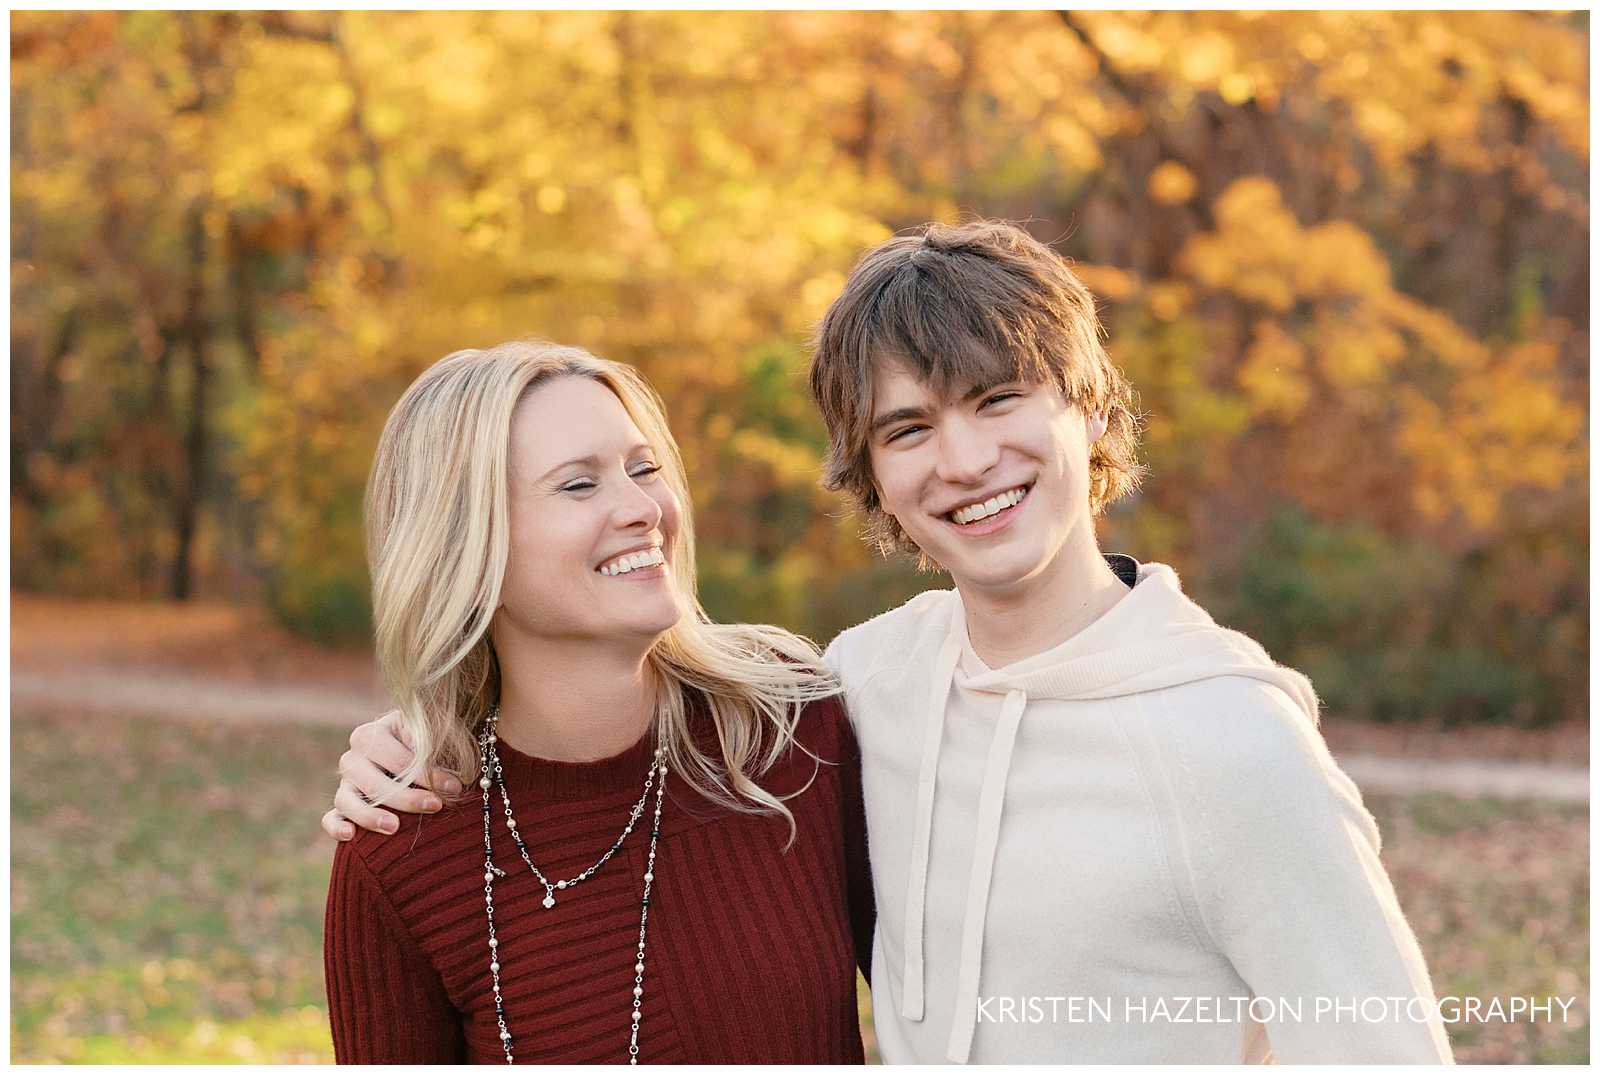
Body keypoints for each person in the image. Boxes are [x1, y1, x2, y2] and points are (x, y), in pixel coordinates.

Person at [329, 223, 1453, 1063]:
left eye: (1000, 399)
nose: (963, 463)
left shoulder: (1230, 741)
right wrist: (413, 733)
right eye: (909, 429)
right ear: (872, 478)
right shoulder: (856, 694)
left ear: (1094, 412)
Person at [321, 340, 873, 1064]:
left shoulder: (793, 726)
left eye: (644, 469)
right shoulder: (402, 845)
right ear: (464, 542)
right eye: (579, 485)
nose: (644, 507)